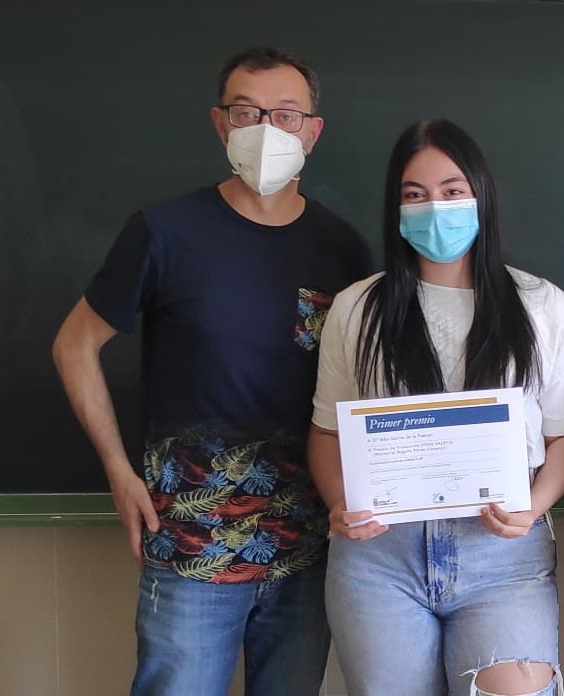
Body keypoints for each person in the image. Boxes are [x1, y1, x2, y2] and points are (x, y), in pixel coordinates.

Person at [52, 45, 372, 695]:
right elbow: (74, 344)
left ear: (312, 132)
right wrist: (117, 471)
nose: (266, 129)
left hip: (309, 547)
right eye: (246, 112)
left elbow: (359, 391)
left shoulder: (342, 248)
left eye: (285, 114)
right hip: (188, 546)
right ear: (220, 122)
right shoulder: (165, 231)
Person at [308, 118, 564, 696]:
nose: (435, 208)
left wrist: (533, 507)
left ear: (481, 195)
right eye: (415, 195)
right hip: (380, 557)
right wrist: (340, 502)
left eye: (452, 190)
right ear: (395, 208)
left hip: (502, 552)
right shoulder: (357, 308)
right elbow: (326, 432)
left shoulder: (542, 306)